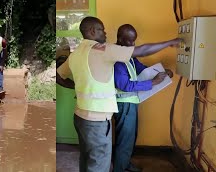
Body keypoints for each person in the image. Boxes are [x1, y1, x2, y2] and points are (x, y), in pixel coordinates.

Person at [56, 16, 181, 172]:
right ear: (92, 30)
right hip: (97, 119)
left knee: (87, 158)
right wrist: (170, 42)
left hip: (80, 116)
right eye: (102, 29)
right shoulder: (102, 50)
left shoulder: (76, 54)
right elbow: (141, 51)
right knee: (99, 163)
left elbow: (58, 77)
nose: (105, 33)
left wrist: (78, 86)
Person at [112, 24, 174, 172]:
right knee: (125, 140)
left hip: (131, 103)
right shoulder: (117, 59)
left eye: (134, 41)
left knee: (130, 138)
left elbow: (143, 70)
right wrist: (154, 82)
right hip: (124, 103)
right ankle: (119, 168)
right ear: (120, 39)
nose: (133, 44)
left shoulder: (130, 56)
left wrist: (163, 72)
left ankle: (125, 163)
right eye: (129, 41)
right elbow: (124, 85)